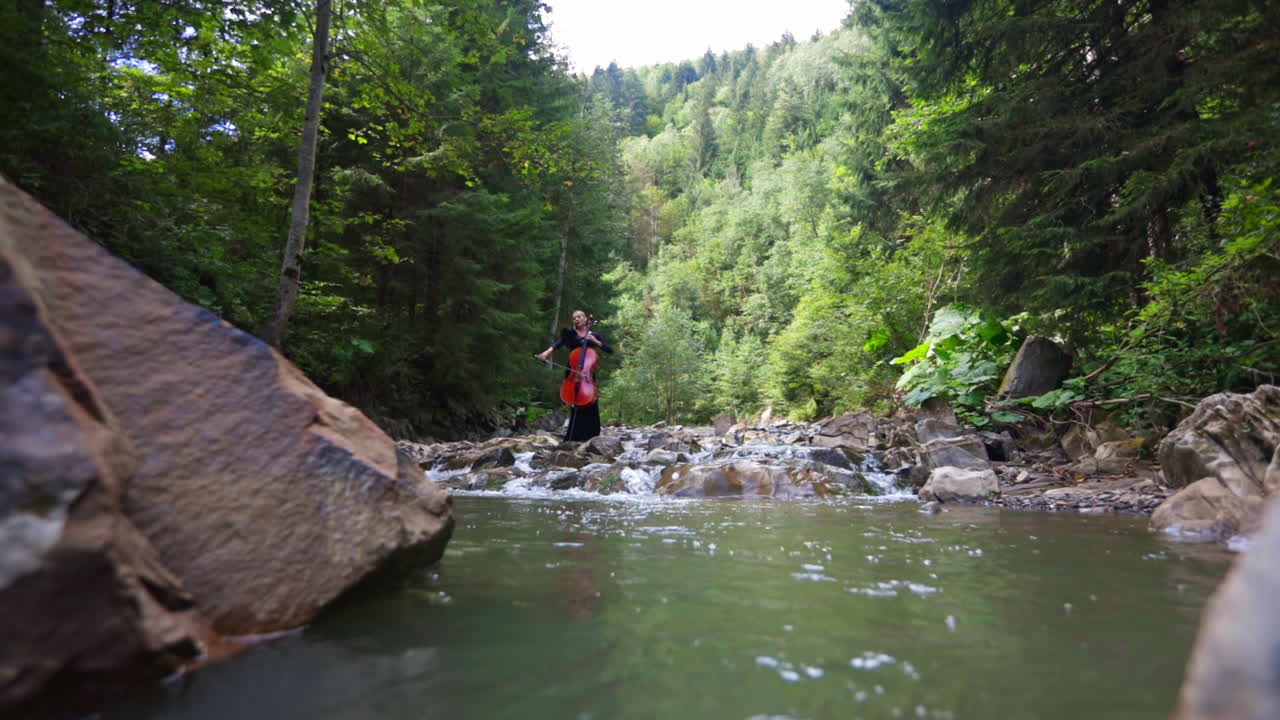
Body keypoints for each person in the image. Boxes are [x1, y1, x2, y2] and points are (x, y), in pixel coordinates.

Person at [536, 310, 613, 441]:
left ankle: (591, 435)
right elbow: (558, 344)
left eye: (579, 317)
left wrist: (594, 340)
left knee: (590, 402)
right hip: (573, 371)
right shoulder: (570, 335)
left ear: (584, 319)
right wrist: (545, 353)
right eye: (574, 318)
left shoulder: (594, 335)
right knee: (575, 401)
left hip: (587, 374)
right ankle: (573, 435)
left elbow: (609, 350)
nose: (576, 319)